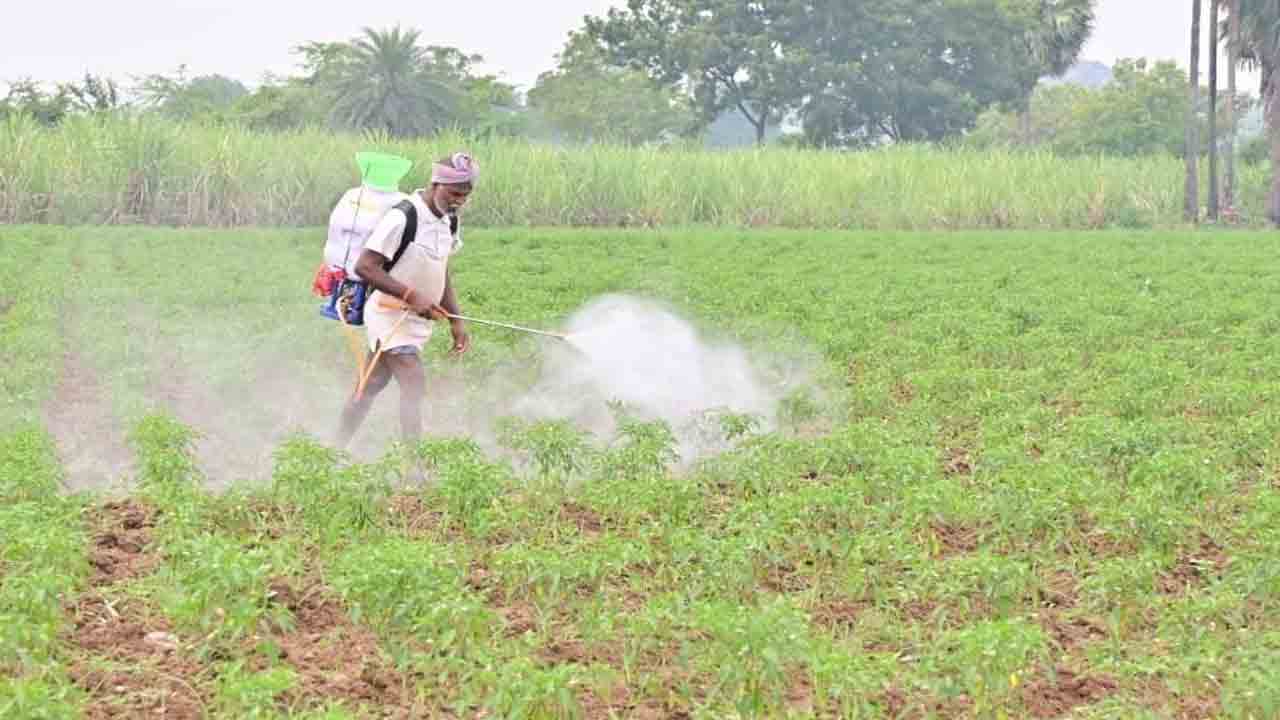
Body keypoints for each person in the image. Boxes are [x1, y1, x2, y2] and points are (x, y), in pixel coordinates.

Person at [335, 152, 476, 451]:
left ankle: (333, 449)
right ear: (435, 183)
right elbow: (366, 266)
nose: (458, 201)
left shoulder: (449, 222)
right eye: (453, 193)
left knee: (369, 387)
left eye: (465, 195)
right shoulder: (403, 216)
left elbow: (441, 270)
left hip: (415, 320)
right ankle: (414, 465)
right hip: (388, 315)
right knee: (414, 379)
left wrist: (456, 320)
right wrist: (412, 296)